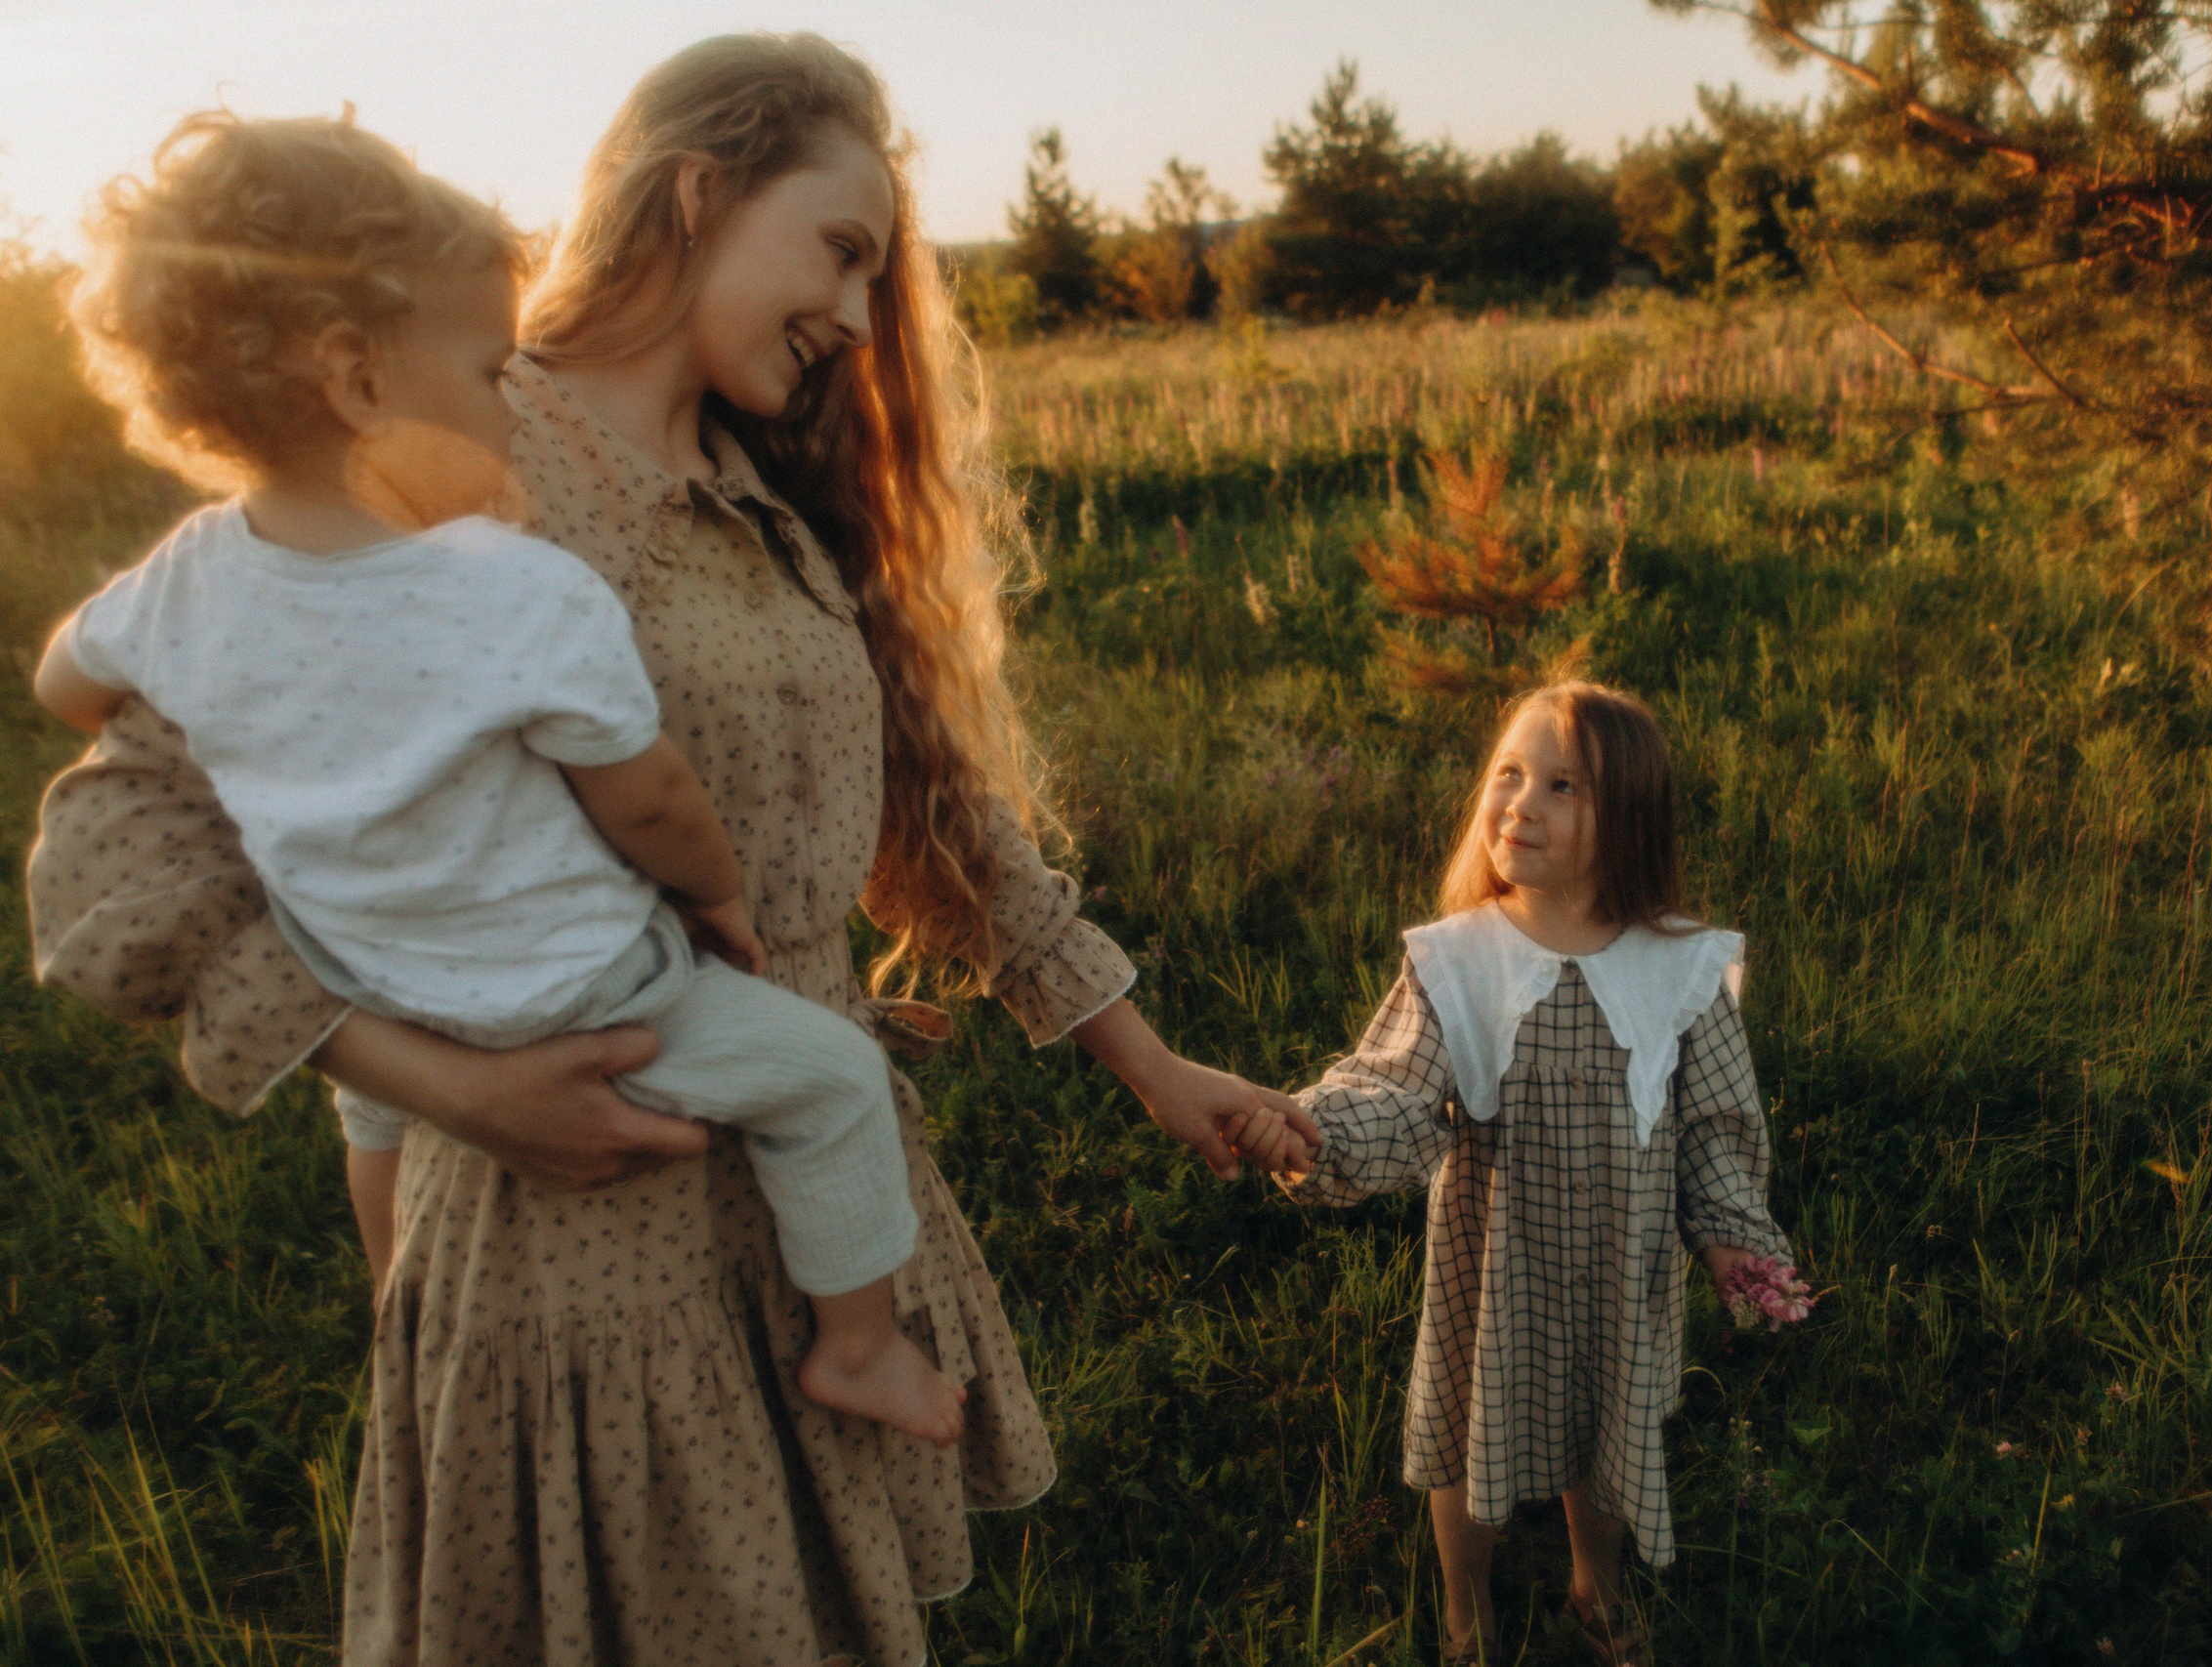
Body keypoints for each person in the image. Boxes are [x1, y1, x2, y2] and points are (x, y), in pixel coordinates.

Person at [26, 32, 1315, 1666]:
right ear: (699, 191)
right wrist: (442, 1085)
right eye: (841, 248)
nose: (858, 313)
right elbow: (125, 862)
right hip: (585, 1232)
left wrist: (1149, 1062)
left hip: (805, 1206)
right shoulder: (457, 459)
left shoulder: (757, 482)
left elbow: (922, 812)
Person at [33, 109, 974, 1443]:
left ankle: (399, 1316)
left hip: (376, 976)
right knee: (830, 1078)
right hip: (578, 995)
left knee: (376, 1126)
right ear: (359, 379)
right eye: (487, 368)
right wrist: (714, 899)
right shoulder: (515, 581)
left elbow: (69, 684)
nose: (506, 400)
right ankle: (861, 1344)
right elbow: (642, 793)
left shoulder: (185, 580)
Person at [1263, 681, 1810, 1666]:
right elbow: (1393, 1092)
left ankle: (1594, 1583)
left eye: (1562, 786)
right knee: (1465, 1450)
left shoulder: (1676, 968)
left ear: (1629, 818)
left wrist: (1732, 1238)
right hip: (1494, 1273)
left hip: (1619, 1268)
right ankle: (1464, 1608)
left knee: (1605, 1450)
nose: (1520, 803)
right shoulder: (1458, 960)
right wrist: (1311, 1133)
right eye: (1508, 774)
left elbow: (1713, 1128)